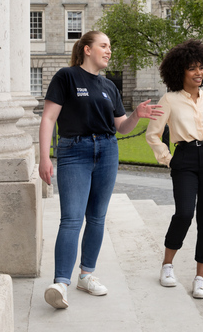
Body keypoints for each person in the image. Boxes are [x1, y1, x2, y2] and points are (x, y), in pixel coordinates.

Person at [39, 31, 163, 310]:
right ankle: (60, 283)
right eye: (104, 46)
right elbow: (48, 118)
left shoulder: (109, 86)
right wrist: (44, 157)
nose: (109, 51)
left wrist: (136, 116)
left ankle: (86, 275)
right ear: (86, 49)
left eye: (110, 47)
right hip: (74, 152)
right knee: (71, 218)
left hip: (107, 151)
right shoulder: (66, 77)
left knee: (96, 218)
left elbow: (121, 127)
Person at [146, 39, 203, 300]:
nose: (199, 73)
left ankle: (200, 277)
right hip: (183, 159)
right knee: (184, 213)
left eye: (201, 68)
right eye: (192, 68)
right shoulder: (169, 99)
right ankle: (167, 265)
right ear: (179, 71)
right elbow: (153, 134)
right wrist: (169, 159)